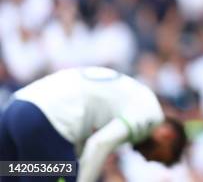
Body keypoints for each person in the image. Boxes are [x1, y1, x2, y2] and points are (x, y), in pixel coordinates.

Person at [0, 66, 187, 182]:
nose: (147, 158)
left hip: (14, 111)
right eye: (158, 157)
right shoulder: (150, 114)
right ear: (167, 134)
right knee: (68, 171)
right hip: (45, 122)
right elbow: (98, 144)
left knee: (13, 174)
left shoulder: (130, 98)